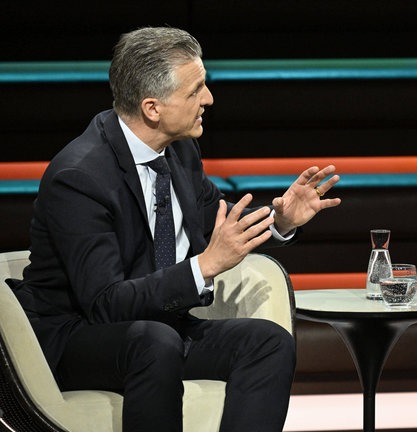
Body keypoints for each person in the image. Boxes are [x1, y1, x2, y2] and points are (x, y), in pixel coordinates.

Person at [10, 27, 341, 432]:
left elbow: (215, 222)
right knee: (155, 342)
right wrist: (203, 267)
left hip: (157, 327)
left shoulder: (180, 151)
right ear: (153, 107)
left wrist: (281, 220)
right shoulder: (79, 177)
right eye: (196, 90)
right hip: (76, 337)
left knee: (268, 342)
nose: (209, 99)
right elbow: (103, 304)